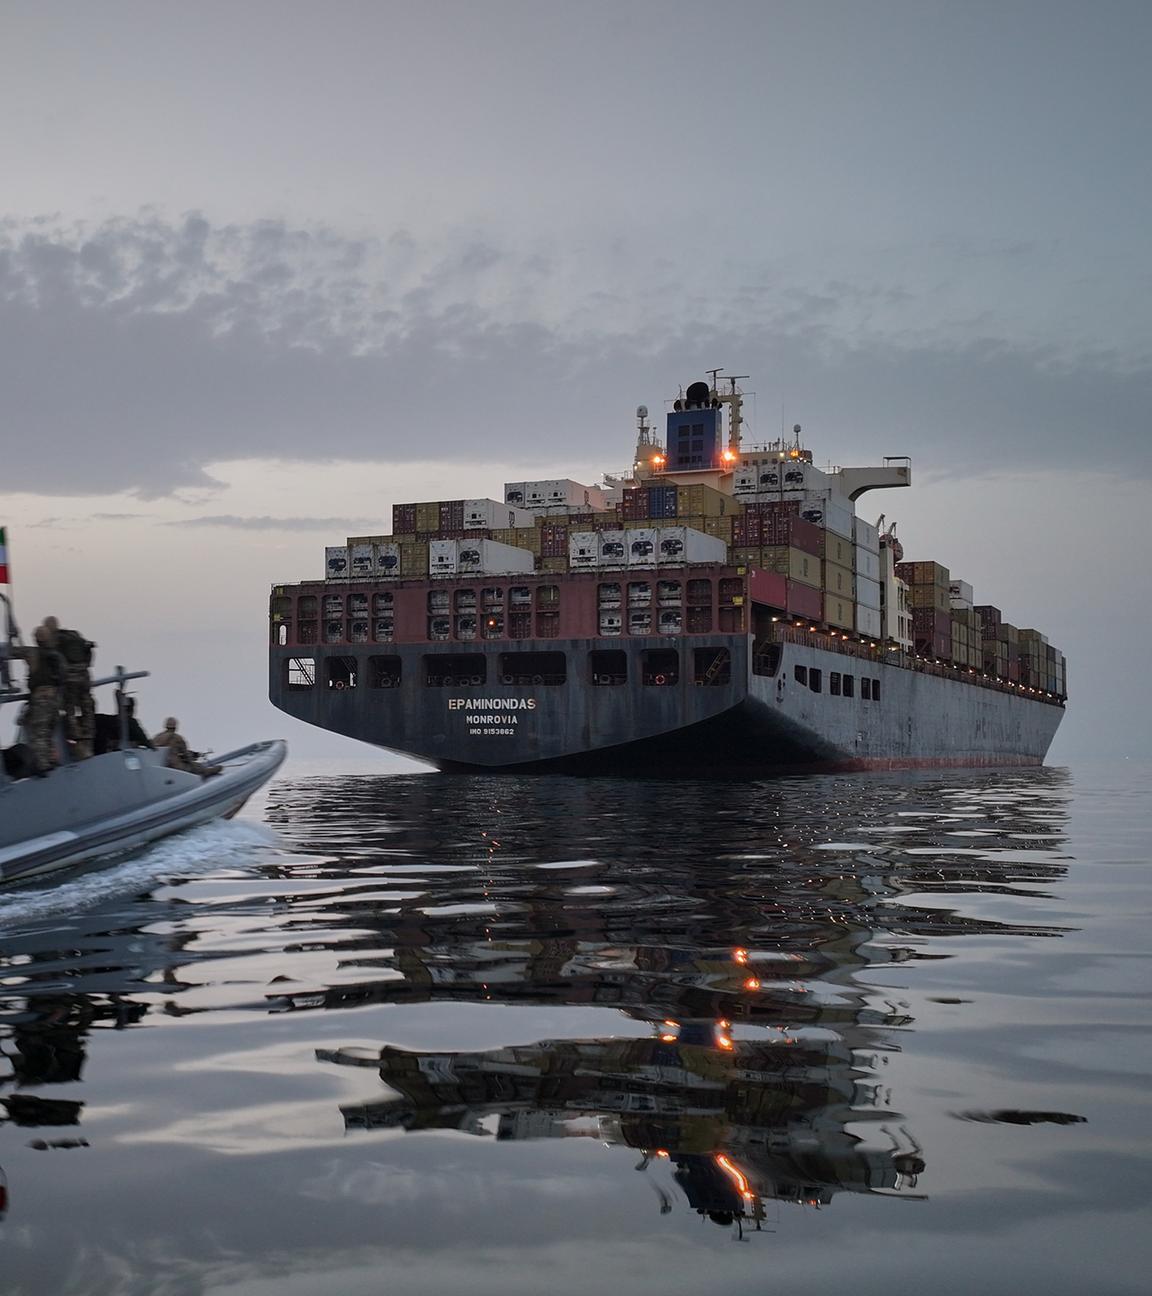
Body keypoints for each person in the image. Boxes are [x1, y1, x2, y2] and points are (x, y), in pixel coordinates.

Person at [12, 626, 64, 773]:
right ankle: (51, 760)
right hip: (55, 699)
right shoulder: (56, 656)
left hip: (41, 699)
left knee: (38, 733)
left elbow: (14, 651)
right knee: (48, 732)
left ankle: (42, 766)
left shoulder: (32, 653)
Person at [43, 616, 95, 760]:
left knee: (70, 709)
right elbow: (88, 652)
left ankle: (76, 739)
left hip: (69, 678)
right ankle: (89, 738)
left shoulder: (55, 640)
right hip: (84, 675)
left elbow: (53, 660)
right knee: (87, 707)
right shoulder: (74, 635)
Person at [152, 718, 221, 777]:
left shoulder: (156, 738)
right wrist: (194, 761)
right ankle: (214, 770)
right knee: (198, 767)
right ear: (176, 727)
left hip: (163, 768)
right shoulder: (177, 738)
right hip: (176, 767)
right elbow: (187, 756)